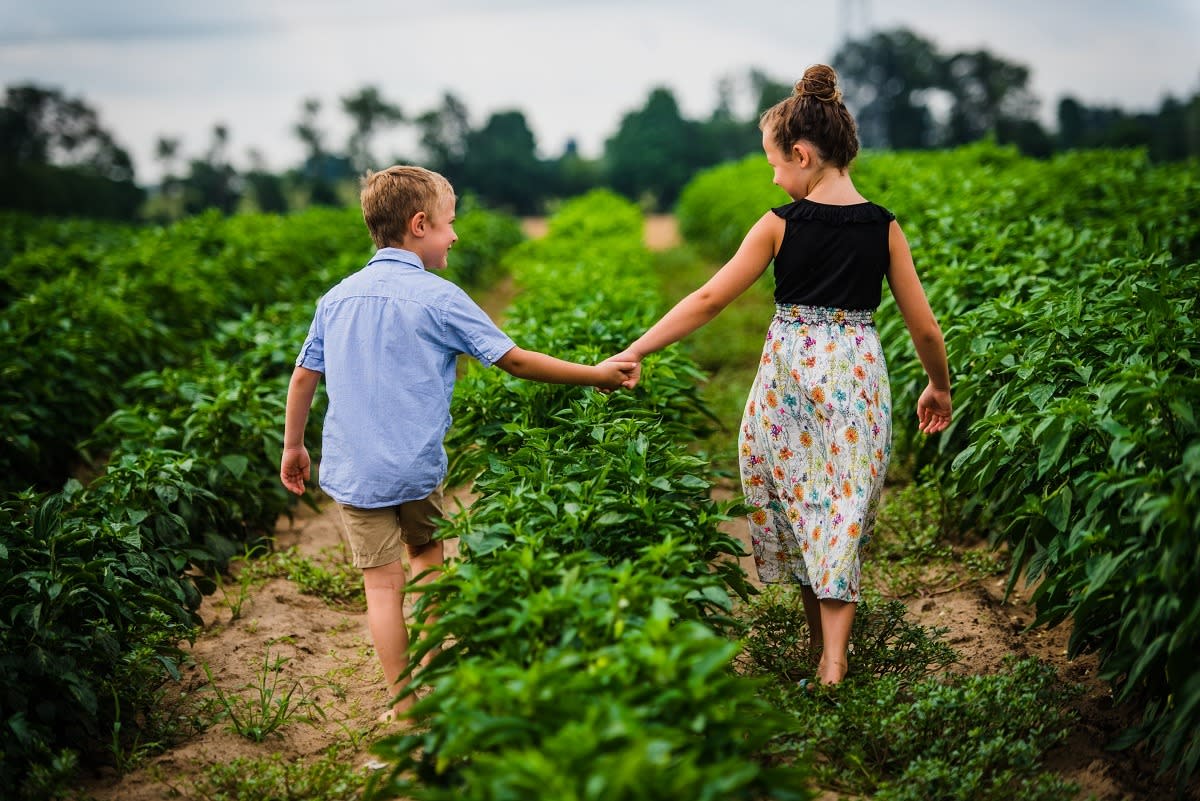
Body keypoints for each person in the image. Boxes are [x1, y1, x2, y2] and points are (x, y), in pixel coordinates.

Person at [608, 65, 952, 687]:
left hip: (788, 376)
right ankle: (833, 660)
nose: (772, 176)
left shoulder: (779, 224)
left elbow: (710, 299)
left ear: (801, 154)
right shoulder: (884, 226)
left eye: (774, 163)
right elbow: (924, 327)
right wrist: (939, 385)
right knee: (840, 505)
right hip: (858, 376)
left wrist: (637, 348)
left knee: (796, 498)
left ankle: (822, 648)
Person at [280, 165, 636, 721]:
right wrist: (596, 373)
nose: (455, 235)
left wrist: (293, 447)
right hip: (417, 466)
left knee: (380, 589)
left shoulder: (337, 299)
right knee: (427, 559)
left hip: (356, 471)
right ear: (419, 225)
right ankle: (435, 679)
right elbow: (514, 360)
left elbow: (304, 376)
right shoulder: (439, 297)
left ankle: (404, 709)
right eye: (449, 224)